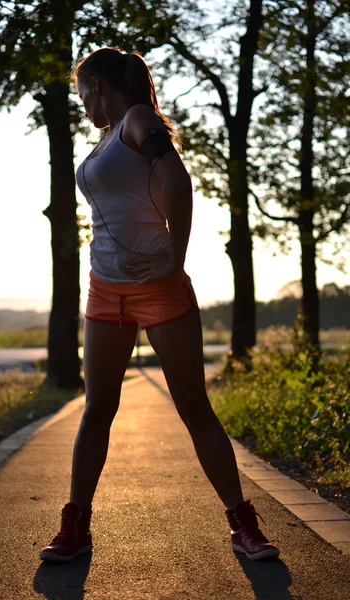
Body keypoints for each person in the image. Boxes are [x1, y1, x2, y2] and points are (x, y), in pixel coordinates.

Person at [39, 47, 279, 563]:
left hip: (159, 288)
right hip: (105, 290)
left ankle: (244, 525)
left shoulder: (136, 119)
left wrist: (175, 254)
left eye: (80, 91)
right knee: (97, 408)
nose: (79, 102)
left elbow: (177, 177)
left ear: (97, 84)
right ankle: (75, 526)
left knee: (194, 408)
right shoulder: (106, 138)